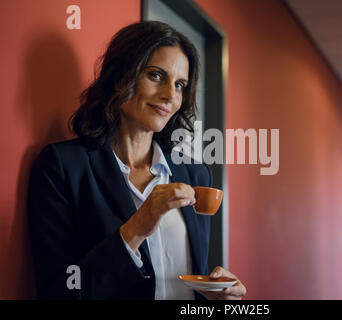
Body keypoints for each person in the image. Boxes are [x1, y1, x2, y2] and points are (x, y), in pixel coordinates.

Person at [27, 21, 246, 300]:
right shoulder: (63, 167)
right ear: (121, 76)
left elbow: (188, 280)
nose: (170, 95)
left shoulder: (195, 173)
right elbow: (59, 291)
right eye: (156, 75)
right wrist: (136, 227)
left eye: (180, 85)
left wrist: (217, 296)